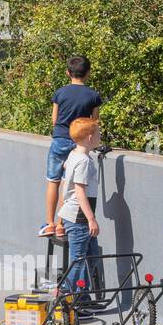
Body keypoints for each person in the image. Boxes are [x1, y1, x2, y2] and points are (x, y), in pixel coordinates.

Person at [42, 56, 102, 238]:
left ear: (68, 73)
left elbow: (54, 120)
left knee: (54, 181)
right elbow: (93, 123)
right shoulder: (93, 96)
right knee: (68, 184)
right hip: (79, 143)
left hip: (59, 139)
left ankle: (50, 223)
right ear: (88, 73)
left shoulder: (60, 93)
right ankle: (61, 224)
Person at [55, 117, 102, 303]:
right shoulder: (83, 161)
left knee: (91, 258)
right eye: (98, 134)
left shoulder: (74, 155)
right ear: (90, 138)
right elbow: (80, 191)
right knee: (79, 259)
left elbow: (64, 184)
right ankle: (65, 298)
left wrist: (60, 216)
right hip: (79, 217)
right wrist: (91, 219)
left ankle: (81, 297)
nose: (100, 137)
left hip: (71, 214)